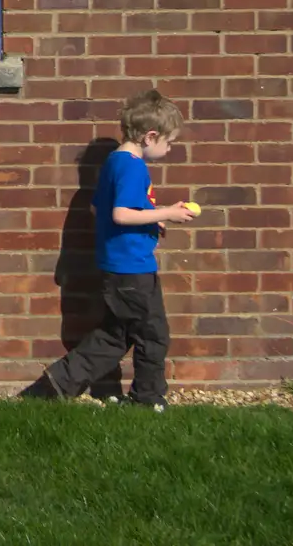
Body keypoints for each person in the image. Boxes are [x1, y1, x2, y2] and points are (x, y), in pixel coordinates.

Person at [28, 90, 195, 410]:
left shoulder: (113, 162)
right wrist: (167, 214)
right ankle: (148, 400)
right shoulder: (133, 167)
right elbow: (120, 214)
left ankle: (55, 386)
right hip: (133, 269)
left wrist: (150, 221)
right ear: (150, 136)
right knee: (153, 336)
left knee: (114, 336)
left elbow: (98, 210)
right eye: (169, 141)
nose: (170, 148)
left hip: (117, 267)